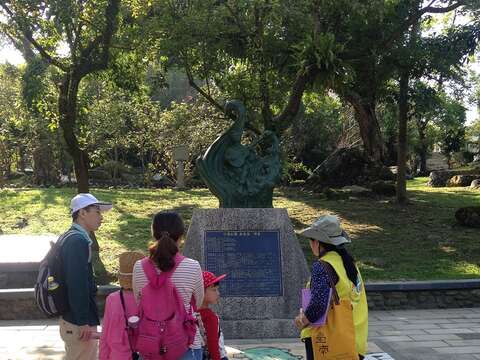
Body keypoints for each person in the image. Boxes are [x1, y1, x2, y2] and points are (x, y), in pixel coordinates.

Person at [132, 211, 204, 360]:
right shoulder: (192, 266)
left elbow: (139, 301)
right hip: (185, 344)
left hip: (150, 344)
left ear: (153, 233)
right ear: (181, 236)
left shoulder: (139, 267)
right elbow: (198, 302)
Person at [295, 215, 368, 360]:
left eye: (311, 240)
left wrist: (302, 319)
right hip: (354, 340)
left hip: (330, 342)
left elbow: (318, 304)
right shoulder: (349, 263)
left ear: (317, 242)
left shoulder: (323, 266)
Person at [59, 193, 112, 360]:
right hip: (78, 322)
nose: (101, 217)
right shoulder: (77, 241)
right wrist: (83, 321)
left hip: (74, 319)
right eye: (97, 212)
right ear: (82, 213)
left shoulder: (72, 237)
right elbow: (77, 284)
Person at [99, 251, 145, 360]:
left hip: (117, 355)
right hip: (143, 354)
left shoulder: (112, 299)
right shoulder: (148, 298)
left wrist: (103, 356)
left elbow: (105, 335)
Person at [198, 271, 228, 360]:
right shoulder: (210, 317)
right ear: (201, 292)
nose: (218, 293)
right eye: (214, 290)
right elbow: (213, 344)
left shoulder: (192, 314)